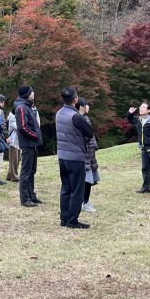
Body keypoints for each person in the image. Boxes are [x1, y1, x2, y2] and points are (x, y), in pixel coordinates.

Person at [55, 88, 93, 229]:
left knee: (66, 188)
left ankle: (64, 218)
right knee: (77, 190)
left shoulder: (59, 113)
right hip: (75, 157)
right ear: (75, 99)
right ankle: (72, 220)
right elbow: (89, 132)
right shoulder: (76, 116)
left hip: (62, 156)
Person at [14, 85, 43, 207]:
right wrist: (35, 135)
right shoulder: (21, 108)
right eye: (32, 92)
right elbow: (23, 127)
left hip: (33, 145)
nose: (34, 93)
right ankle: (25, 199)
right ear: (27, 94)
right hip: (28, 144)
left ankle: (31, 195)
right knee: (26, 172)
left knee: (32, 171)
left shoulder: (28, 106)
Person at [77, 98, 99, 213]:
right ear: (81, 107)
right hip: (85, 155)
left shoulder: (85, 118)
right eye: (87, 105)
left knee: (88, 180)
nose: (88, 107)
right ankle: (84, 203)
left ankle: (84, 202)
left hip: (89, 154)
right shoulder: (81, 119)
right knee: (86, 180)